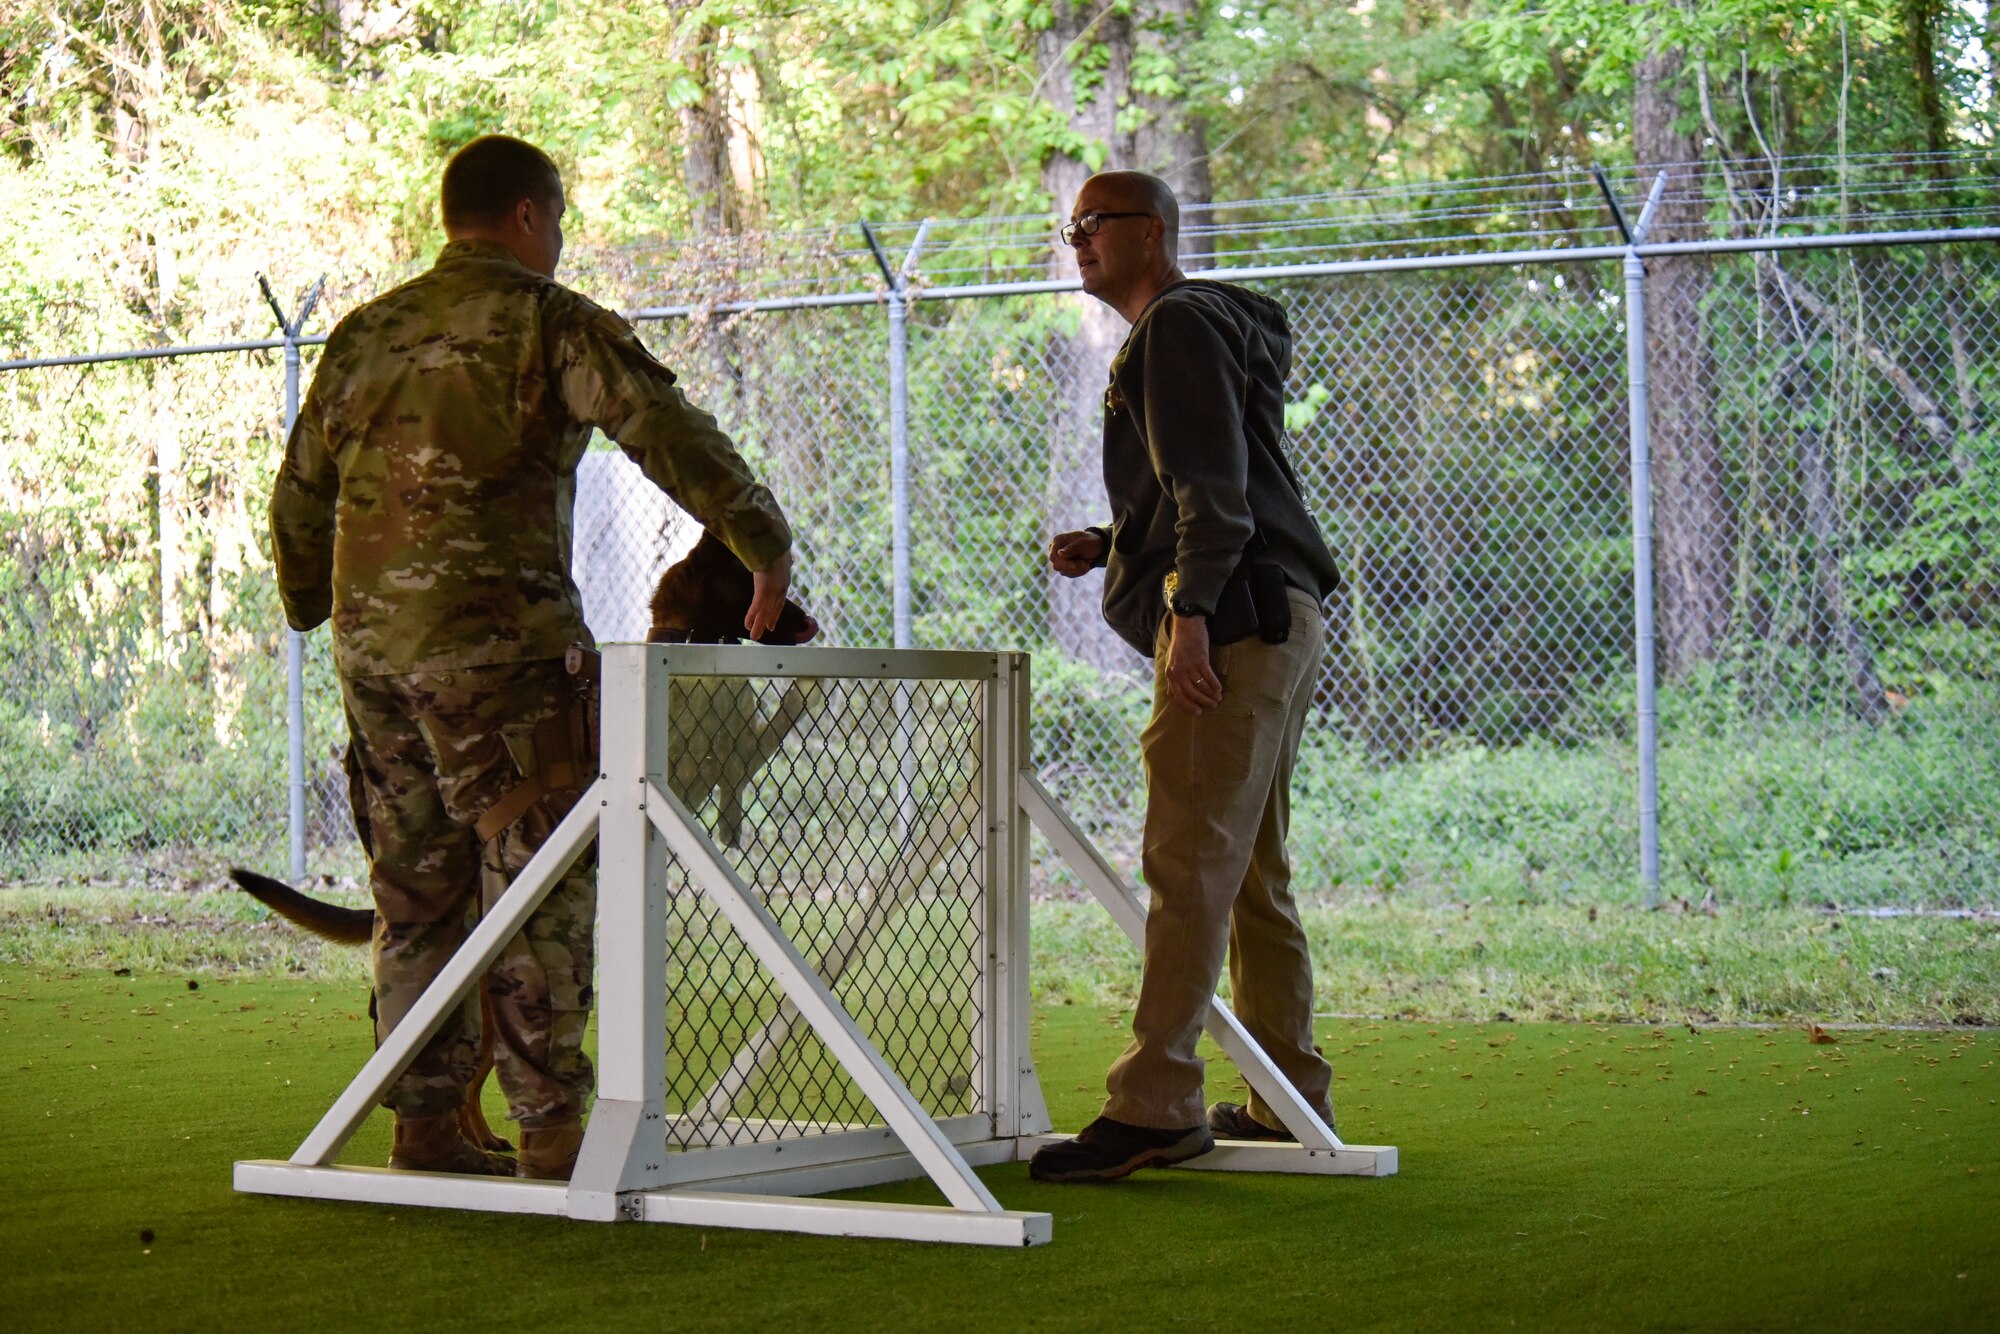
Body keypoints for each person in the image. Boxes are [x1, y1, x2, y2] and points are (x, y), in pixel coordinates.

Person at [270, 135, 794, 1180]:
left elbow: (298, 492)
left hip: (376, 666)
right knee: (540, 878)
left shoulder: (363, 334)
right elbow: (660, 426)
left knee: (413, 894)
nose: (557, 240)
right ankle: (551, 1124)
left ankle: (424, 1121)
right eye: (555, 221)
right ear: (524, 215)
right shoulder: (549, 321)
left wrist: (307, 605)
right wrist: (761, 544)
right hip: (501, 661)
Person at [1030, 171, 1342, 1183]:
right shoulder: (1193, 325)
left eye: (1097, 222)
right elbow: (1214, 478)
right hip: (1275, 610)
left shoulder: (1174, 323)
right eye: (1070, 225)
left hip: (1235, 616)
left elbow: (1212, 492)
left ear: (1153, 233)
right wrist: (1116, 542)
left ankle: (1155, 1098)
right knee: (1247, 866)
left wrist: (1191, 611)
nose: (1077, 239)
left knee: (1187, 861)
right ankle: (1282, 1089)